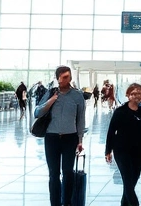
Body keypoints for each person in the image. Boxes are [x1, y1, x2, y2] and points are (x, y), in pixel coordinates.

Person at [35, 66, 85, 206]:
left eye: (67, 77)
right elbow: (37, 112)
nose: (64, 80)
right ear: (57, 78)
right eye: (62, 77)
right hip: (52, 138)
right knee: (54, 174)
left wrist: (80, 140)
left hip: (70, 138)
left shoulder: (77, 95)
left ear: (70, 78)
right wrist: (52, 100)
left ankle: (67, 202)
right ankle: (55, 203)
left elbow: (81, 119)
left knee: (68, 172)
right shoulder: (50, 93)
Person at [105, 83, 141, 206]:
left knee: (132, 182)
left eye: (140, 94)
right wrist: (108, 151)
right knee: (127, 181)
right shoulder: (120, 112)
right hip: (121, 150)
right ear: (128, 95)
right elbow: (111, 131)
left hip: (138, 150)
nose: (137, 96)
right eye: (134, 93)